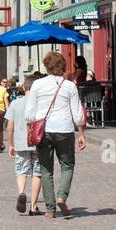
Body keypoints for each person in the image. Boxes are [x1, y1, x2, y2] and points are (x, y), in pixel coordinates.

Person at [26, 51, 87, 219]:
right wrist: (81, 133)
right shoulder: (69, 86)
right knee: (67, 165)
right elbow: (78, 114)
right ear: (63, 66)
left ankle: (50, 209)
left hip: (44, 130)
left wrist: (31, 125)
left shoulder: (37, 85)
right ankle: (61, 196)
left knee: (46, 169)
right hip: (65, 129)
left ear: (46, 66)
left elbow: (30, 114)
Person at [6, 75, 42, 215]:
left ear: (23, 87)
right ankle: (33, 206)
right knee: (37, 173)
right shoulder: (39, 104)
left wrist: (11, 144)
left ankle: (21, 192)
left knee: (21, 170)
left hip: (21, 143)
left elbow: (10, 126)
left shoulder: (16, 103)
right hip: (37, 143)